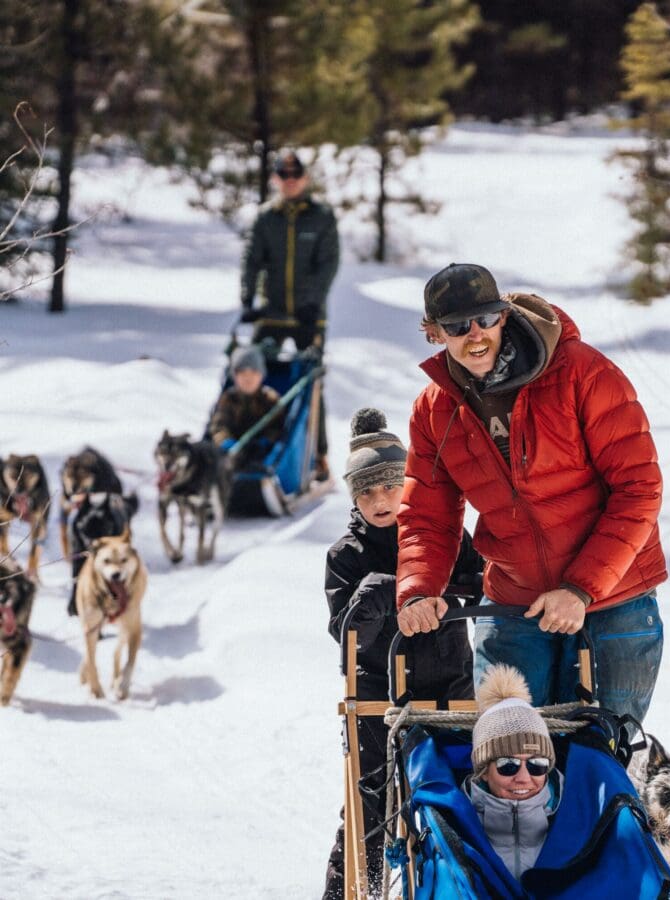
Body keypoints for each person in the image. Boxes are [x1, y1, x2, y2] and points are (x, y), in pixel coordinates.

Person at [395, 262, 667, 720]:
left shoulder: (582, 373)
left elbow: (638, 487)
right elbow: (427, 515)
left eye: (485, 318)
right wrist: (419, 590)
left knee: (606, 754)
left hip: (614, 598)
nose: (475, 334)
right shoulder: (434, 411)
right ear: (435, 334)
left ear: (503, 315)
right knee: (507, 748)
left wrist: (580, 589)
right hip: (514, 603)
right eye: (458, 326)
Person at [322, 407, 482, 899]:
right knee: (370, 799)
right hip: (376, 693)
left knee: (454, 791)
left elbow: (478, 588)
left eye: (390, 487)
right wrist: (381, 597)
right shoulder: (346, 555)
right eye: (367, 491)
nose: (380, 500)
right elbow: (342, 629)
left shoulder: (445, 534)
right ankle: (355, 889)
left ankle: (454, 886)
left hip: (448, 686)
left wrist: (443, 597)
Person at [240, 148, 339, 480]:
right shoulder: (266, 217)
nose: (290, 181)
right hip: (272, 313)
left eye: (295, 176)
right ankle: (248, 447)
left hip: (309, 316)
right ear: (275, 179)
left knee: (310, 383)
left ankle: (318, 454)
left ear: (305, 179)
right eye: (284, 176)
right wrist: (247, 298)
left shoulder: (321, 216)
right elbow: (252, 259)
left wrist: (313, 302)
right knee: (249, 376)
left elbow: (328, 263)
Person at [466, 663, 562, 882]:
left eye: (536, 764)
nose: (523, 778)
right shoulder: (457, 824)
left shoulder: (573, 819)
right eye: (507, 765)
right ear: (483, 772)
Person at [209, 345, 283, 462]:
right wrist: (226, 442)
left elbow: (278, 428)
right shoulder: (228, 399)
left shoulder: (271, 399)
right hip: (230, 456)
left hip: (263, 456)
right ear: (235, 377)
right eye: (243, 373)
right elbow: (219, 426)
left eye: (253, 373)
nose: (248, 378)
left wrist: (265, 442)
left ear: (261, 375)